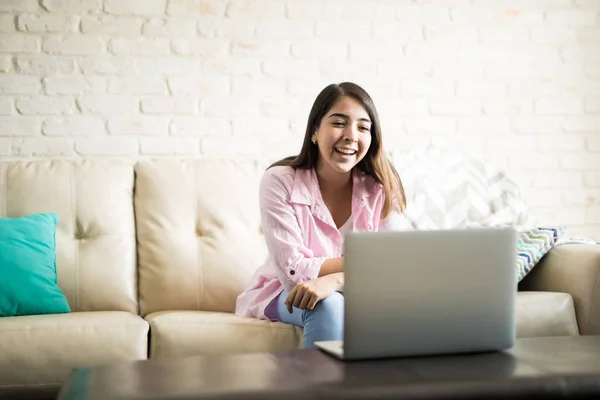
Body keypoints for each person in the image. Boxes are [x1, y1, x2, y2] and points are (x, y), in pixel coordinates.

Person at [235, 82, 410, 349]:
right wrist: (366, 267)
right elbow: (294, 269)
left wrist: (338, 279)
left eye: (363, 127)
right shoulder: (280, 180)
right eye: (339, 123)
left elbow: (401, 261)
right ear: (315, 131)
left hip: (358, 292)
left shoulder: (381, 186)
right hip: (282, 292)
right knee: (327, 303)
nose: (352, 135)